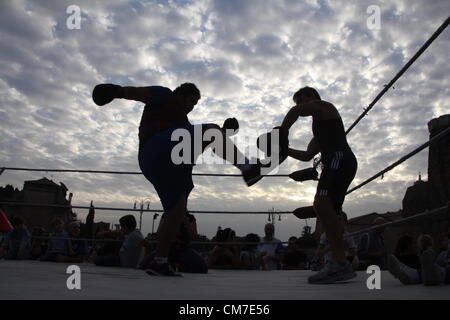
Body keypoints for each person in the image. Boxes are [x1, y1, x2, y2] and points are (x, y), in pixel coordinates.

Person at [92, 82, 260, 276]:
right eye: (191, 100)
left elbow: (202, 142)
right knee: (210, 131)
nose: (192, 106)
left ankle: (160, 261)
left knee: (176, 211)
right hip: (156, 148)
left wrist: (224, 132)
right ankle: (247, 168)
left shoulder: (184, 125)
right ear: (180, 94)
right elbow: (140, 94)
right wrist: (116, 91)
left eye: (195, 104)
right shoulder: (165, 95)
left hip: (163, 164)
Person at [280, 86, 358, 283]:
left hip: (338, 158)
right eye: (296, 101)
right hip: (337, 161)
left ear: (312, 97)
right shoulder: (319, 130)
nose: (299, 105)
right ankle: (340, 262)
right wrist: (284, 148)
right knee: (328, 210)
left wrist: (282, 131)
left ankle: (339, 263)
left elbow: (295, 111)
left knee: (321, 204)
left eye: (301, 99)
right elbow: (307, 155)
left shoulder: (325, 107)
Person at [140, 211, 208, 274]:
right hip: (166, 250)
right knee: (143, 265)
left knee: (202, 268)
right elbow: (159, 234)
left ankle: (178, 265)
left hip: (184, 250)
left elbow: (194, 236)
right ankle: (173, 264)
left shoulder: (190, 217)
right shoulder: (166, 215)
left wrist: (186, 223)